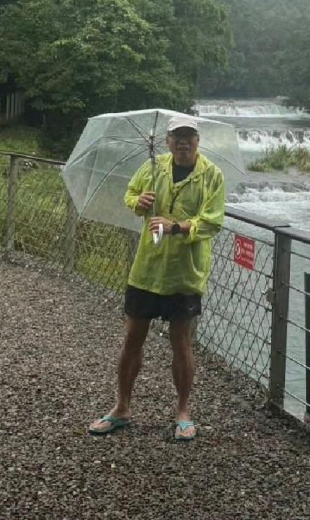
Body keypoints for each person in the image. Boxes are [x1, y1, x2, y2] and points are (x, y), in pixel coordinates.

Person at [88, 116, 225, 441]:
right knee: (133, 336)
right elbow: (131, 194)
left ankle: (183, 412)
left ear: (197, 140)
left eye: (188, 136)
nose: (182, 142)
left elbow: (212, 222)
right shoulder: (153, 167)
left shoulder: (212, 176)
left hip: (184, 273)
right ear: (167, 141)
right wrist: (140, 202)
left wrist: (176, 227)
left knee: (181, 341)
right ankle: (121, 408)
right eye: (177, 136)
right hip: (147, 269)